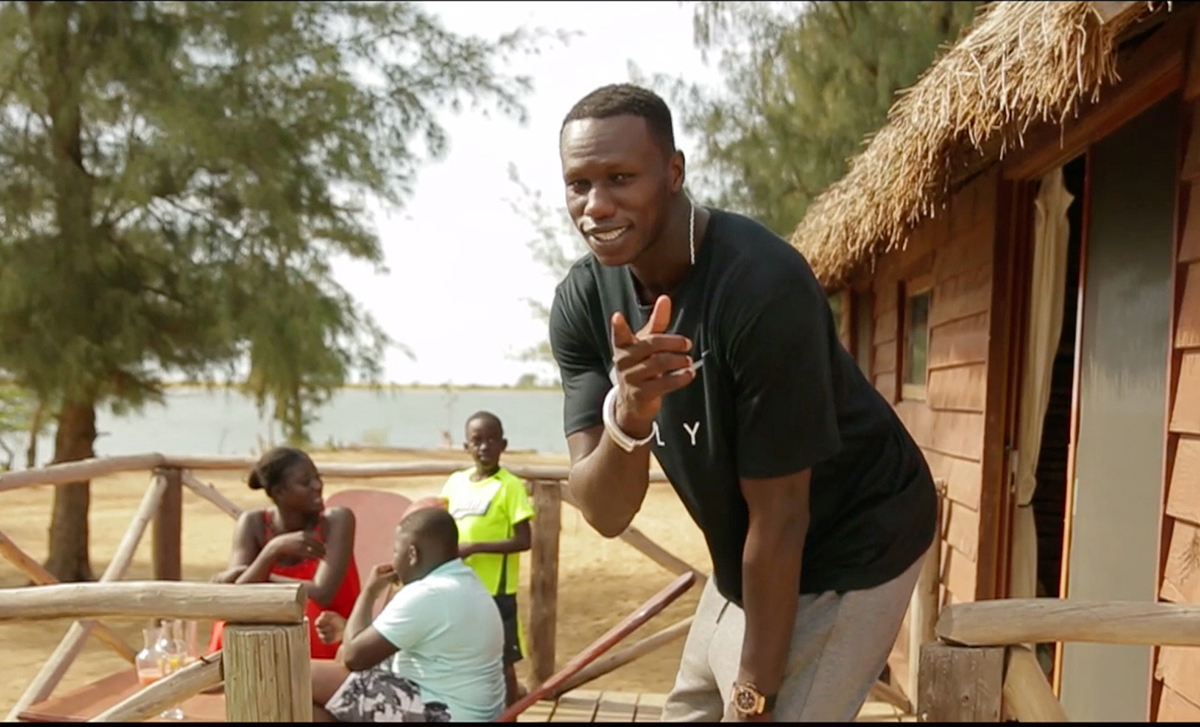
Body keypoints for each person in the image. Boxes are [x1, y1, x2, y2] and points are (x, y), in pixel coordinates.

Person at [548, 83, 938, 722]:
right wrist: (629, 420)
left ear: (674, 172)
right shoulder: (585, 302)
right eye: (578, 184)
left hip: (853, 542)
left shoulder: (762, 288)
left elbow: (783, 518)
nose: (596, 206)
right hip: (744, 559)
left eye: (621, 178)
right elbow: (604, 511)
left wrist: (754, 701)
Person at [311, 507, 506, 723]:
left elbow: (354, 658)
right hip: (468, 712)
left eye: (396, 552)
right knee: (313, 709)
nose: (394, 561)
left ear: (412, 554)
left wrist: (369, 592)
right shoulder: (469, 584)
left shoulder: (428, 593)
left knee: (301, 676)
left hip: (443, 713)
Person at [210, 447, 361, 661]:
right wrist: (273, 550)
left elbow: (322, 593)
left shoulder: (336, 520)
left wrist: (260, 575)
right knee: (234, 616)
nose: (317, 486)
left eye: (318, 478)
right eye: (305, 482)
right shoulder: (253, 523)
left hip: (329, 630)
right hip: (273, 631)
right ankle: (230, 676)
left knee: (301, 608)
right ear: (280, 492)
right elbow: (236, 595)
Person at [438, 411, 534, 706]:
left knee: (502, 661)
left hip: (497, 592)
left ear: (503, 444)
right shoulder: (455, 483)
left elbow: (524, 540)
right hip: (460, 588)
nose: (485, 447)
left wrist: (475, 546)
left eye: (492, 440)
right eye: (477, 441)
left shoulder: (509, 486)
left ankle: (509, 715)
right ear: (466, 447)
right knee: (463, 657)